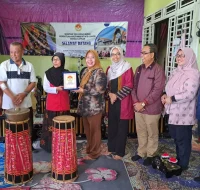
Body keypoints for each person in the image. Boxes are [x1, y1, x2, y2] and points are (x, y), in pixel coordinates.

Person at [161, 47, 200, 171]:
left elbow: (189, 94)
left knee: (183, 139)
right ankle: (179, 159)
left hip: (184, 113)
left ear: (189, 58)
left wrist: (172, 99)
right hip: (173, 112)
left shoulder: (193, 74)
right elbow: (168, 87)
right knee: (177, 138)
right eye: (178, 55)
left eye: (183, 55)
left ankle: (183, 164)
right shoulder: (176, 71)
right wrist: (165, 95)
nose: (179, 58)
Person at [131, 43, 165, 166]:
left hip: (151, 108)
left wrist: (143, 103)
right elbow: (133, 88)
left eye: (145, 53)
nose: (142, 55)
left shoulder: (158, 70)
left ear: (152, 55)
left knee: (152, 133)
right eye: (142, 53)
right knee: (141, 131)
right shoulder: (139, 69)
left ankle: (151, 154)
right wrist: (136, 102)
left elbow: (157, 90)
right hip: (138, 108)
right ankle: (141, 152)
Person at [75, 50, 107, 160]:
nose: (89, 60)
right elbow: (81, 87)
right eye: (87, 57)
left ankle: (95, 153)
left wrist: (83, 91)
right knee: (88, 130)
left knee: (95, 130)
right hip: (85, 107)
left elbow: (99, 90)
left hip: (94, 108)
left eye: (92, 57)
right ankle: (89, 149)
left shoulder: (99, 72)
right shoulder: (85, 72)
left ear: (96, 59)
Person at [0, 41, 36, 138]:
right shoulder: (4, 65)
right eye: (11, 52)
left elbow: (33, 82)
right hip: (9, 104)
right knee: (11, 130)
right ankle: (11, 150)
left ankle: (25, 149)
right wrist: (12, 97)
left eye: (16, 52)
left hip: (25, 103)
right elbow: (1, 83)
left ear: (22, 52)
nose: (13, 55)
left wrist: (24, 94)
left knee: (25, 129)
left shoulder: (29, 66)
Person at [106, 46, 134, 160]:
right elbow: (105, 85)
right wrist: (109, 94)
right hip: (112, 102)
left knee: (122, 127)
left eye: (118, 54)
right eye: (113, 54)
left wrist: (116, 96)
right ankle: (111, 148)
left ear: (122, 54)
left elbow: (129, 85)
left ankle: (119, 151)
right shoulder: (109, 69)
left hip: (123, 101)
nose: (115, 56)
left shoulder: (127, 67)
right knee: (112, 125)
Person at [40, 52, 70, 152]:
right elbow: (46, 88)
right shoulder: (48, 73)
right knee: (51, 126)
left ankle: (63, 146)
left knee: (63, 125)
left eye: (58, 59)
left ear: (62, 61)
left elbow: (71, 86)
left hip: (63, 102)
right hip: (52, 103)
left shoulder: (67, 73)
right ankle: (50, 147)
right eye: (54, 59)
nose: (55, 61)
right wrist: (56, 89)